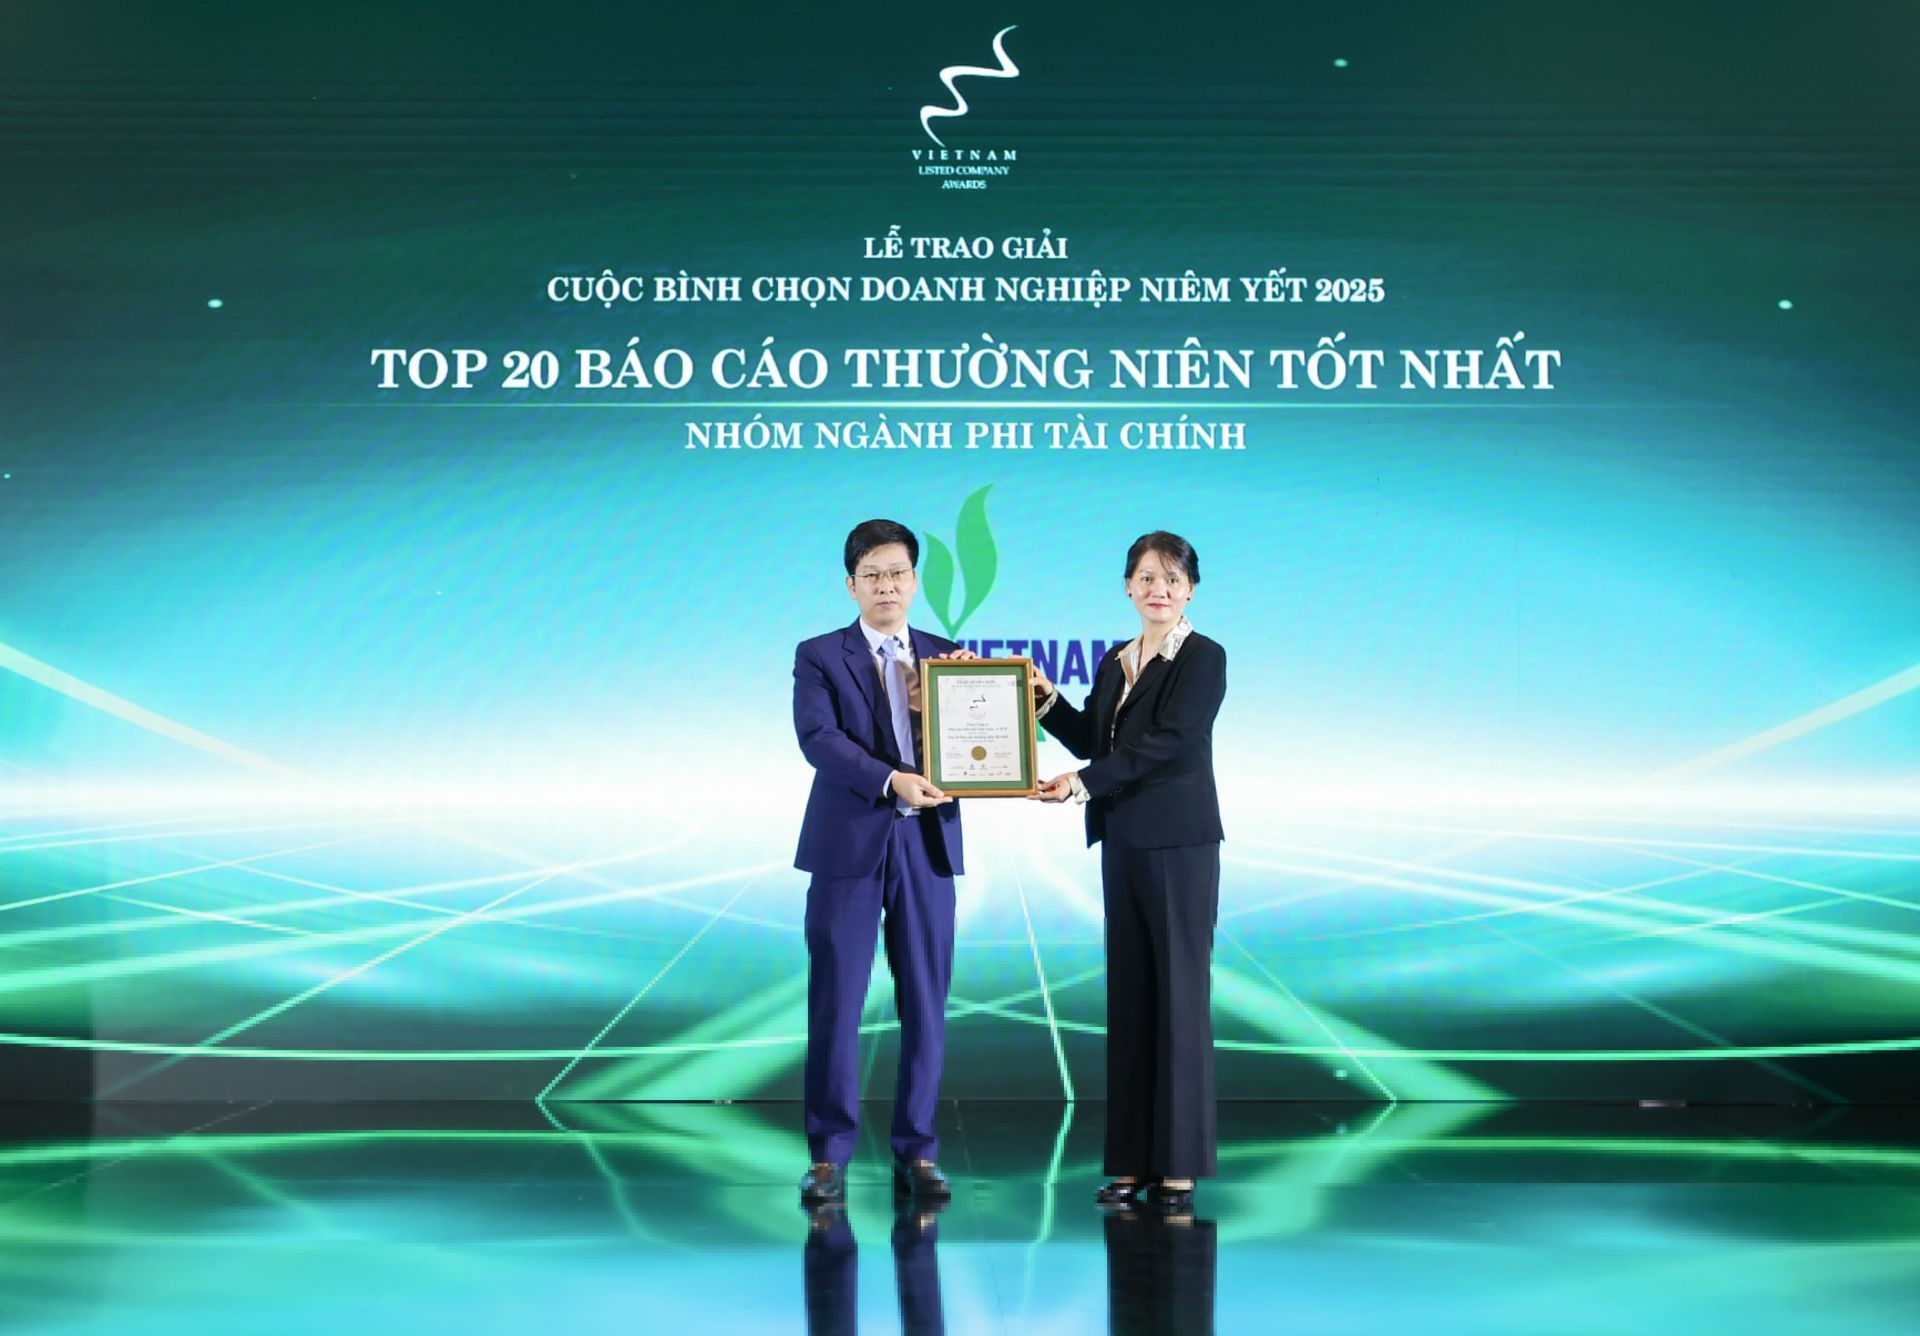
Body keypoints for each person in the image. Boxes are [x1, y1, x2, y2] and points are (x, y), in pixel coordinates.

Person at [1031, 531, 1226, 1211]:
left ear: (1191, 590)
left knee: (1178, 1001)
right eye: (1146, 577)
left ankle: (1178, 1166)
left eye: (1171, 579)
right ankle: (1132, 1163)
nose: (1158, 590)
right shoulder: (1117, 659)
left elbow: (1170, 743)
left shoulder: (1204, 657)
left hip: (1179, 845)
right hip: (1123, 840)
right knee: (1134, 999)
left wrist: (1081, 784)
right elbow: (1096, 738)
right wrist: (1045, 700)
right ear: (1127, 587)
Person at [793, 518, 962, 1207]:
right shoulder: (819, 655)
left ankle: (918, 1150)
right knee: (837, 1000)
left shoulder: (949, 657)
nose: (886, 585)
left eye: (897, 573)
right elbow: (818, 738)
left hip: (928, 843)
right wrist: (891, 780)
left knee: (926, 1000)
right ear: (851, 585)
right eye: (872, 575)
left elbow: (975, 745)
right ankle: (829, 1156)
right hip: (848, 844)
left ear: (915, 581)